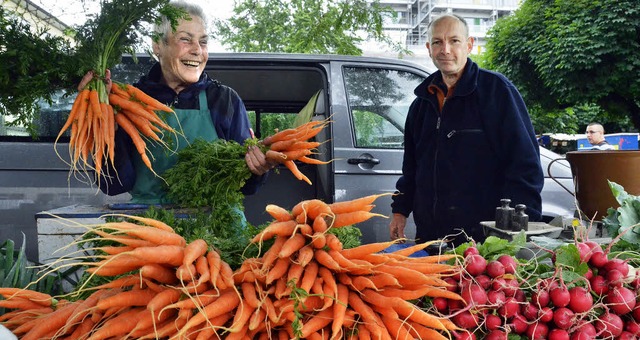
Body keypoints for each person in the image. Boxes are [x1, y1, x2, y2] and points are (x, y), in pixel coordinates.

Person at [79, 1, 273, 216]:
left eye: (203, 41)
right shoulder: (129, 101)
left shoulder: (224, 100)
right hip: (150, 226)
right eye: (185, 39)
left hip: (217, 225)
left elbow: (247, 186)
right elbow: (114, 185)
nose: (197, 50)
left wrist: (257, 170)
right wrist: (100, 121)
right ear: (157, 45)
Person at [388, 14, 544, 246]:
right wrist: (400, 211)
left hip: (484, 241)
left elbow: (525, 165)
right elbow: (411, 169)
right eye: (438, 42)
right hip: (431, 237)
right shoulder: (421, 105)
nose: (446, 50)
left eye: (454, 41)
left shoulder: (497, 92)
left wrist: (516, 235)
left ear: (469, 44)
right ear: (429, 48)